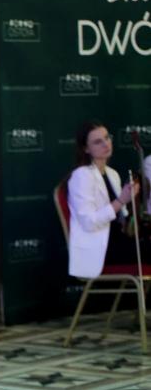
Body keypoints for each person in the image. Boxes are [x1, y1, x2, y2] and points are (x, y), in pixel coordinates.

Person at [67, 119, 144, 279]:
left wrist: (130, 200)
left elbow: (120, 218)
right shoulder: (81, 176)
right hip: (100, 250)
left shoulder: (112, 173)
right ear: (86, 149)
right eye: (97, 142)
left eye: (107, 138)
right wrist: (121, 200)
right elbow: (89, 223)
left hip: (119, 241)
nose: (105, 144)